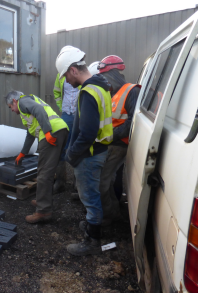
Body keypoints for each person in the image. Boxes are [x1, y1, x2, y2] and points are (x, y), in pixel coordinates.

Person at [55, 46, 113, 256]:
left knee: (89, 195)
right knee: (92, 193)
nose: (65, 81)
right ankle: (92, 224)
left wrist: (71, 154)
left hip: (89, 154)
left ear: (73, 70)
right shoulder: (102, 86)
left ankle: (92, 241)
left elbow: (87, 132)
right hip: (99, 150)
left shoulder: (88, 92)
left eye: (65, 76)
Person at [4, 90, 69, 223]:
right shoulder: (27, 107)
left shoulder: (23, 101)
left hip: (53, 132)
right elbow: (30, 133)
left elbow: (39, 109)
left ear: (14, 101)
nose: (11, 110)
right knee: (46, 170)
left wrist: (48, 132)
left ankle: (43, 211)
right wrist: (23, 152)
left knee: (44, 172)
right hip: (60, 129)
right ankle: (42, 201)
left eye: (11, 107)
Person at [97, 55, 141, 225]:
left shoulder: (131, 91)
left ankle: (109, 215)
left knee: (101, 182)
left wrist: (111, 135)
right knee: (107, 180)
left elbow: (133, 122)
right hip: (111, 143)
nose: (104, 81)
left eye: (104, 76)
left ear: (113, 73)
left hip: (119, 144)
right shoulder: (113, 93)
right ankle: (112, 210)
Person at [52, 46, 81, 194]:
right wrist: (61, 106)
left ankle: (77, 184)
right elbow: (56, 92)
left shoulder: (82, 73)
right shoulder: (60, 75)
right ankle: (61, 182)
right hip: (66, 115)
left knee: (78, 146)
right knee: (61, 146)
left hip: (79, 115)